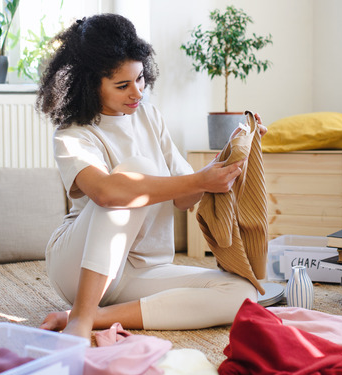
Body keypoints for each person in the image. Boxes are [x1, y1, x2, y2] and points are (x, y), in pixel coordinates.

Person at [35, 13, 266, 341]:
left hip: (144, 269)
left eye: (140, 78)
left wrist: (229, 156)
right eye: (122, 85)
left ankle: (97, 316)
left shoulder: (150, 117)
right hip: (78, 268)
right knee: (135, 172)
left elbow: (185, 196)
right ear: (90, 84)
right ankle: (81, 317)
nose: (137, 92)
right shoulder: (73, 133)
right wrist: (198, 181)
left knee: (243, 293)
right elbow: (106, 193)